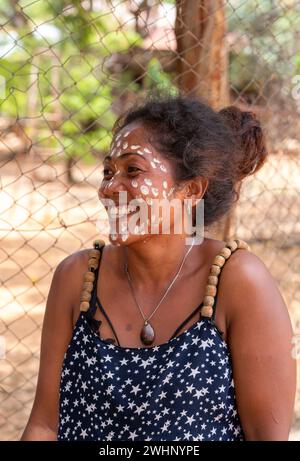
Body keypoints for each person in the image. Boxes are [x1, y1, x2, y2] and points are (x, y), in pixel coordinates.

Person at [21, 96, 296, 441]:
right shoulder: (77, 278)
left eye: (132, 170)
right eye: (108, 171)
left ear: (191, 190)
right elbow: (45, 425)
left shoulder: (237, 281)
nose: (108, 188)